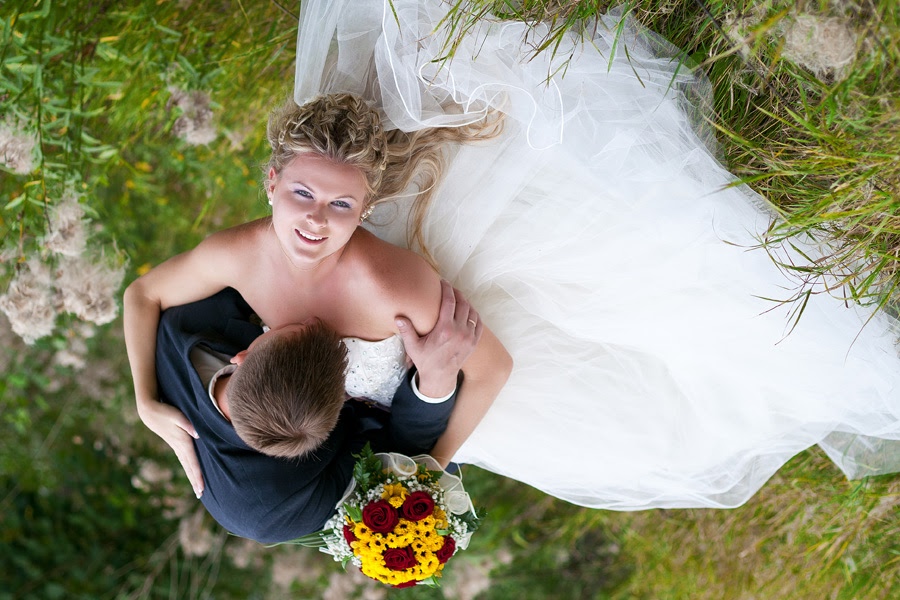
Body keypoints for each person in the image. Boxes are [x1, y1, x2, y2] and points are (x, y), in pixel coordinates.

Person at [286, 0, 900, 510]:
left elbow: (188, 289)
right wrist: (424, 470)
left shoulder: (359, 275)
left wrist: (427, 467)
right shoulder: (324, 401)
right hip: (447, 377)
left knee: (614, 255)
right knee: (642, 413)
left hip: (433, 315)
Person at [123, 94, 513, 499]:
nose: (317, 219)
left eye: (341, 204)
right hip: (310, 425)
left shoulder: (393, 287)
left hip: (409, 416)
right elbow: (143, 294)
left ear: (364, 209)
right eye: (303, 193)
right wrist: (146, 401)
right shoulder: (236, 256)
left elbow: (493, 369)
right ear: (272, 183)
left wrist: (425, 473)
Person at [154, 283, 479, 543]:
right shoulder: (269, 508)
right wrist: (435, 381)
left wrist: (144, 402)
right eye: (300, 329)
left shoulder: (177, 329)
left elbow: (149, 294)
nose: (312, 321)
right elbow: (398, 456)